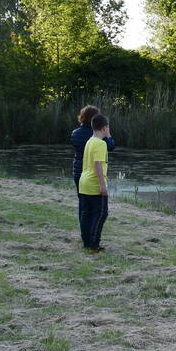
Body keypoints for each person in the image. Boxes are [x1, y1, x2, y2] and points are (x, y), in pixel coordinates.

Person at [71, 105, 114, 228]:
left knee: (83, 202)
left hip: (78, 170)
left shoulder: (75, 133)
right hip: (93, 172)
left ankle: (84, 229)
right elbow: (111, 146)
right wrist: (108, 134)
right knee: (96, 207)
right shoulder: (96, 135)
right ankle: (92, 231)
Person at [78, 114, 111, 252]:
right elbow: (98, 165)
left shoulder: (90, 141)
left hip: (83, 183)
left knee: (86, 213)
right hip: (94, 184)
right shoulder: (101, 143)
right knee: (101, 214)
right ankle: (94, 244)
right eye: (108, 128)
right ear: (104, 128)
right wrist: (103, 186)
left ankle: (86, 242)